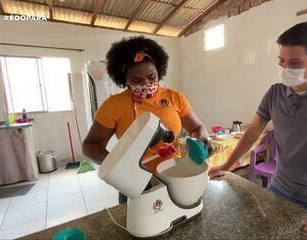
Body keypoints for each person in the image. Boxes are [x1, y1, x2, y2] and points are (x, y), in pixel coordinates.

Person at [209, 22, 307, 240]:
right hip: (280, 187)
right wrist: (226, 166)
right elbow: (253, 132)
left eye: (295, 63)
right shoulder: (275, 93)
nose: (285, 69)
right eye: (281, 61)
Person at [82, 36, 211, 203]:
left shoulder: (174, 97)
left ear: (159, 70)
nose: (146, 83)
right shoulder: (114, 105)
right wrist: (119, 165)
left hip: (175, 174)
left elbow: (197, 127)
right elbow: (90, 145)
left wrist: (200, 138)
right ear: (124, 79)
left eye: (151, 76)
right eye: (137, 80)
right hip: (137, 181)